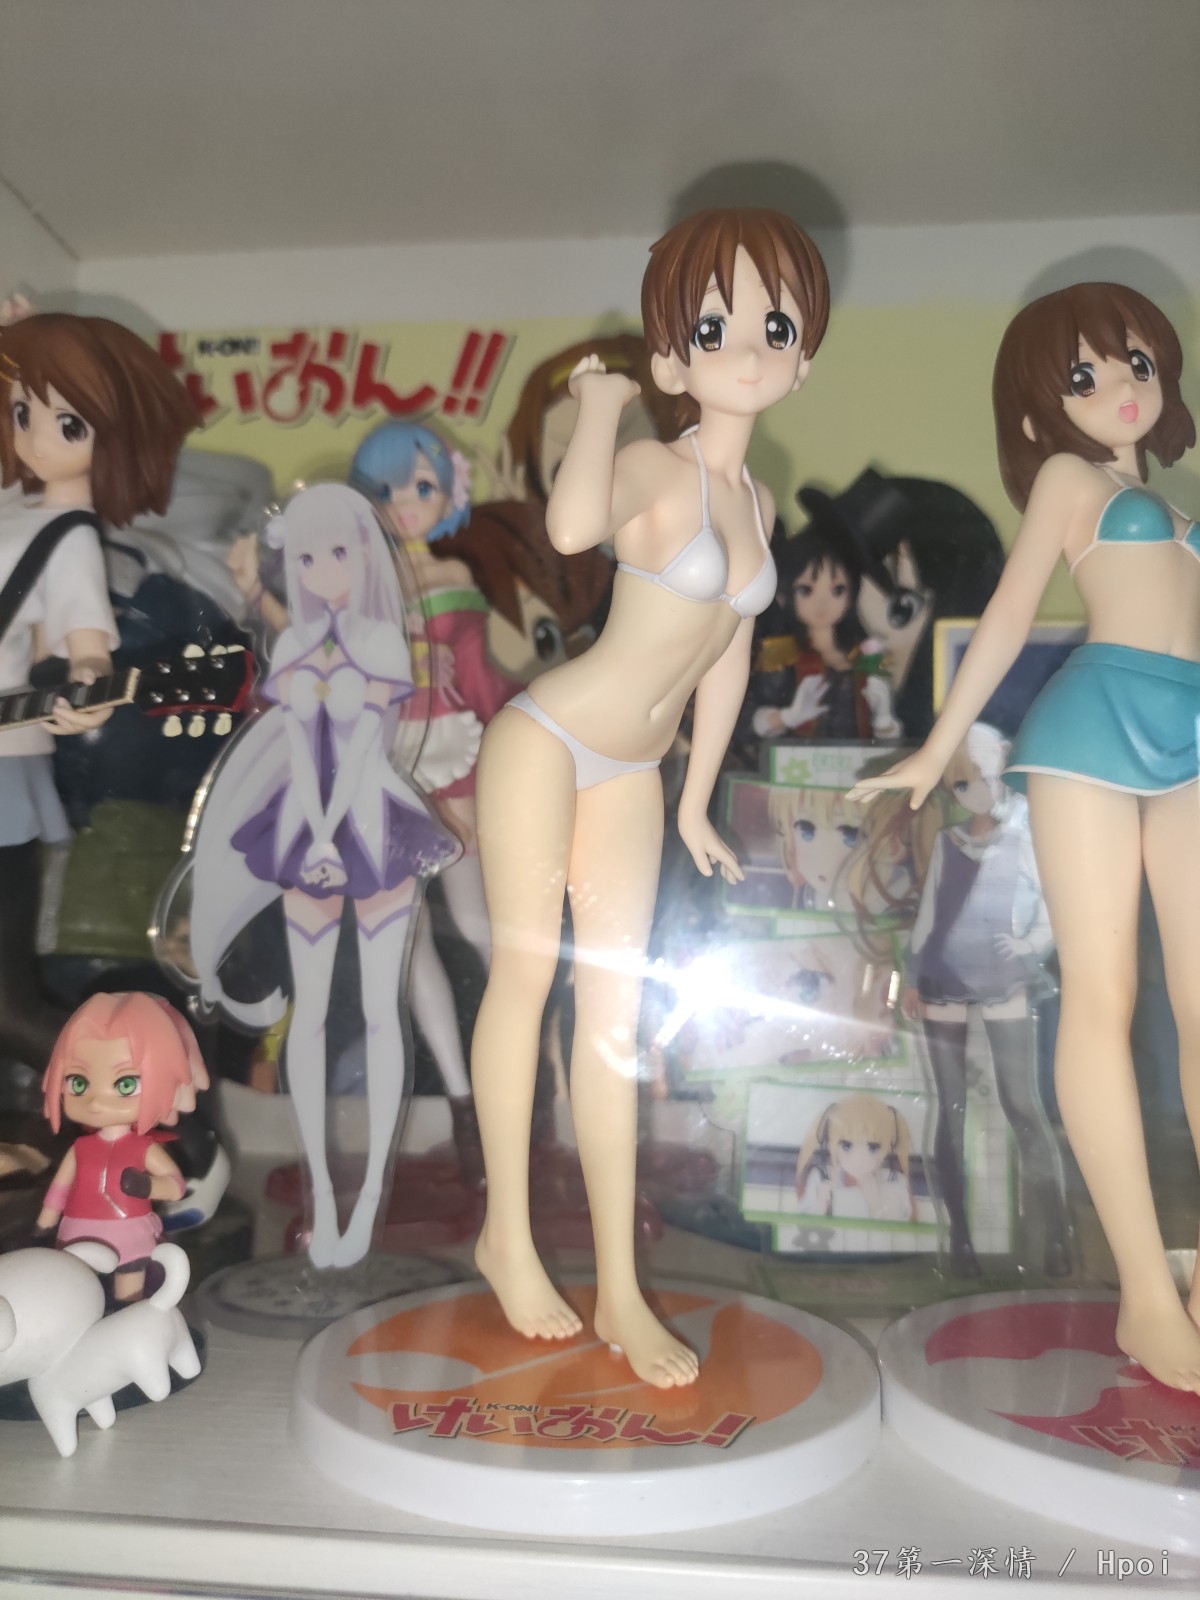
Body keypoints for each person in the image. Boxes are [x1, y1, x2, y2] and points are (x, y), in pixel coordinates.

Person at [470, 208, 829, 1386]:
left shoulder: (757, 504)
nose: (749, 350)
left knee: (613, 1021)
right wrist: (600, 407)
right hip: (547, 740)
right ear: (675, 358)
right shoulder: (652, 465)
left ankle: (620, 1287)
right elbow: (573, 524)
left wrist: (693, 798)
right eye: (716, 328)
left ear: (803, 356)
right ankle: (506, 1235)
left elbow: (727, 654)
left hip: (633, 771)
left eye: (775, 327)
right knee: (527, 978)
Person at [852, 283, 1200, 1392]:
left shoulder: (1166, 498)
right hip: (1094, 727)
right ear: (1041, 405)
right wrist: (935, 747)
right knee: (1101, 993)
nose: (1121, 389)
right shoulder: (1067, 480)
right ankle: (1144, 1292)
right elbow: (1007, 614)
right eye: (1085, 375)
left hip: (1193, 729)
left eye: (1137, 362)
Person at [179, 483, 458, 1269]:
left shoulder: (380, 643)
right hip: (307, 828)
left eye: (338, 553)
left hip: (373, 827)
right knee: (307, 1014)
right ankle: (325, 1201)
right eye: (306, 559)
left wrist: (334, 832)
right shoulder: (297, 643)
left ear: (365, 556)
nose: (324, 572)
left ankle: (365, 1206)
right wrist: (317, 831)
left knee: (380, 1009)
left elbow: (365, 747)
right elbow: (302, 751)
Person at [0, 313, 197, 1094]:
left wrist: (87, 685)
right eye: (23, 411)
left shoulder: (70, 534)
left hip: (5, 769)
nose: (35, 437)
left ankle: (162, 1115)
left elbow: (87, 644)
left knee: (7, 1002)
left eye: (68, 423)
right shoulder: (14, 508)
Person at [902, 723, 1070, 1277]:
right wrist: (912, 974)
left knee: (1022, 1103)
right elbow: (929, 914)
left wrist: (1030, 944)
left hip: (1003, 977)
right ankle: (960, 1240)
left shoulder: (1025, 836)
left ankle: (1057, 1234)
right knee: (951, 1107)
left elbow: (1056, 903)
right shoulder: (948, 841)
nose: (976, 792)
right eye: (962, 784)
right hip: (942, 976)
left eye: (985, 779)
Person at [36, 992, 204, 1302]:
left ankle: (129, 1317)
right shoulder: (81, 1148)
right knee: (77, 1290)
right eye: (78, 1083)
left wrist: (146, 1186)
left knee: (130, 1294)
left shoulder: (143, 1148)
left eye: (125, 1084)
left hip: (129, 1232)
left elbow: (175, 1186)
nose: (96, 1102)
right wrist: (46, 1221)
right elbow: (60, 1186)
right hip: (79, 1231)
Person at [752, 517, 898, 740]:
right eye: (805, 590)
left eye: (838, 590)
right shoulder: (777, 654)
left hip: (858, 759)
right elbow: (745, 721)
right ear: (784, 594)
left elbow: (887, 737)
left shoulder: (864, 656)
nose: (823, 603)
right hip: (794, 760)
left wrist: (884, 720)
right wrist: (786, 718)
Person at [795, 1094, 915, 1222]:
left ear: (888, 1147)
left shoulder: (895, 1181)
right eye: (846, 1146)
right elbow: (801, 1225)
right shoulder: (820, 1177)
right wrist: (820, 1209)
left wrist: (875, 1205)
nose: (859, 1158)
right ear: (831, 1144)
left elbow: (906, 1228)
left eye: (872, 1147)